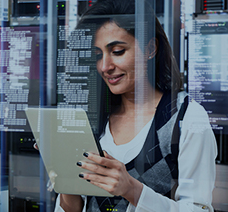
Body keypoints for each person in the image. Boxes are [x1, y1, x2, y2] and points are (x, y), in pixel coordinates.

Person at [53, 0, 217, 211]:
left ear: (150, 48)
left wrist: (132, 189)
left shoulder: (186, 118)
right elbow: (71, 207)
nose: (105, 66)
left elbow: (197, 209)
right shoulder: (90, 117)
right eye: (97, 55)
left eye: (118, 51)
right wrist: (64, 174)